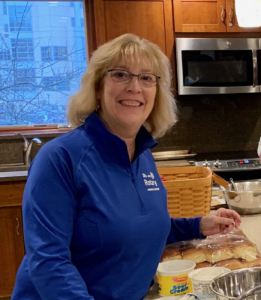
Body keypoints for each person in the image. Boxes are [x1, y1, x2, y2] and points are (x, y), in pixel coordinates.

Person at [11, 33, 241, 300]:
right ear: (97, 87)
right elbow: (49, 261)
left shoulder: (143, 156)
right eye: (120, 74)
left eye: (146, 77)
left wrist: (197, 225)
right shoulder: (60, 159)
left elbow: (137, 229)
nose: (135, 87)